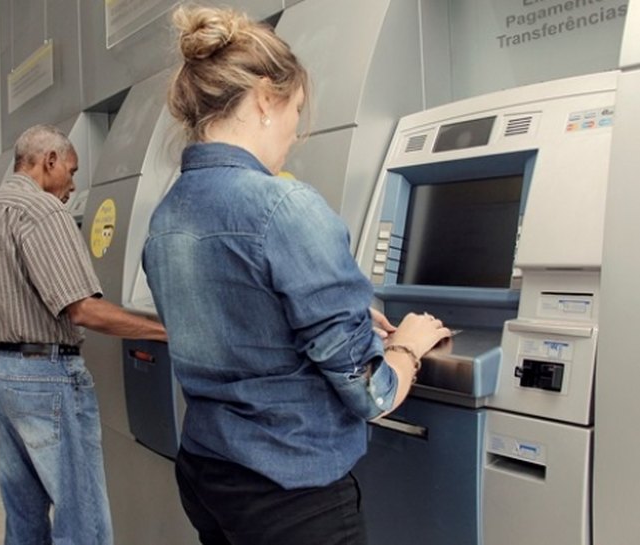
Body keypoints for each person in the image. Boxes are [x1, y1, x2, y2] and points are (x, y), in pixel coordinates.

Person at [142, 6, 451, 545]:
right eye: (296, 109)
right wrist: (409, 346)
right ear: (265, 97)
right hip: (291, 495)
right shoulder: (285, 207)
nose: (295, 132)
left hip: (207, 473)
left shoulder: (168, 214)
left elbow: (240, 322)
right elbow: (371, 394)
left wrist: (338, 322)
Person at [0, 124, 167, 545]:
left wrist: (11, 315)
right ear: (49, 161)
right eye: (72, 170)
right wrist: (166, 331)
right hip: (46, 376)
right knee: (81, 516)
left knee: (24, 512)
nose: (72, 186)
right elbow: (83, 309)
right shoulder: (45, 212)